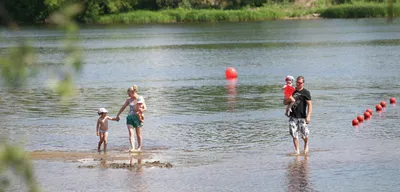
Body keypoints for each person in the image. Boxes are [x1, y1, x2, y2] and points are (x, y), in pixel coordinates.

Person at [283, 76, 312, 155]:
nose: (298, 84)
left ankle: (306, 145)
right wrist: (289, 99)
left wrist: (308, 116)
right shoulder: (292, 90)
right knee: (294, 134)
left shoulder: (306, 92)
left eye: (300, 83)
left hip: (302, 117)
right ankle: (297, 151)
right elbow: (285, 102)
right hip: (293, 116)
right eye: (297, 82)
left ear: (303, 83)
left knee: (304, 135)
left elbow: (310, 105)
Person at [116, 85, 147, 152]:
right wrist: (118, 115)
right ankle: (133, 148)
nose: (128, 95)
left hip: (138, 117)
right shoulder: (128, 99)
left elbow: (145, 108)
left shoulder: (140, 98)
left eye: (129, 93)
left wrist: (142, 110)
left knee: (138, 134)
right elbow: (123, 107)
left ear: (133, 92)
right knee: (131, 133)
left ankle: (139, 147)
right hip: (130, 117)